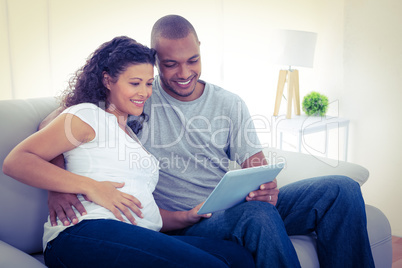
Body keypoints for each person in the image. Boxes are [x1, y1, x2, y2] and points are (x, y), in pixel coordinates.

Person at [45, 16, 375, 267]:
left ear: (200, 49)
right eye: (170, 64)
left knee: (341, 189)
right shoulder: (138, 95)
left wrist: (266, 185)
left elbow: (255, 163)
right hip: (189, 223)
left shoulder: (229, 103)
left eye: (192, 60)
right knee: (257, 216)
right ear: (155, 61)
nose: (184, 72)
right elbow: (54, 123)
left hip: (234, 208)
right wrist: (59, 186)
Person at [2, 36, 255, 268]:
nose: (144, 92)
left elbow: (137, 209)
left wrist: (185, 216)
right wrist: (91, 187)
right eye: (134, 83)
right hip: (84, 234)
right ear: (107, 80)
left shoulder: (132, 137)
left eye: (148, 83)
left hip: (139, 236)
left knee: (238, 257)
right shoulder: (88, 115)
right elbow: (16, 161)